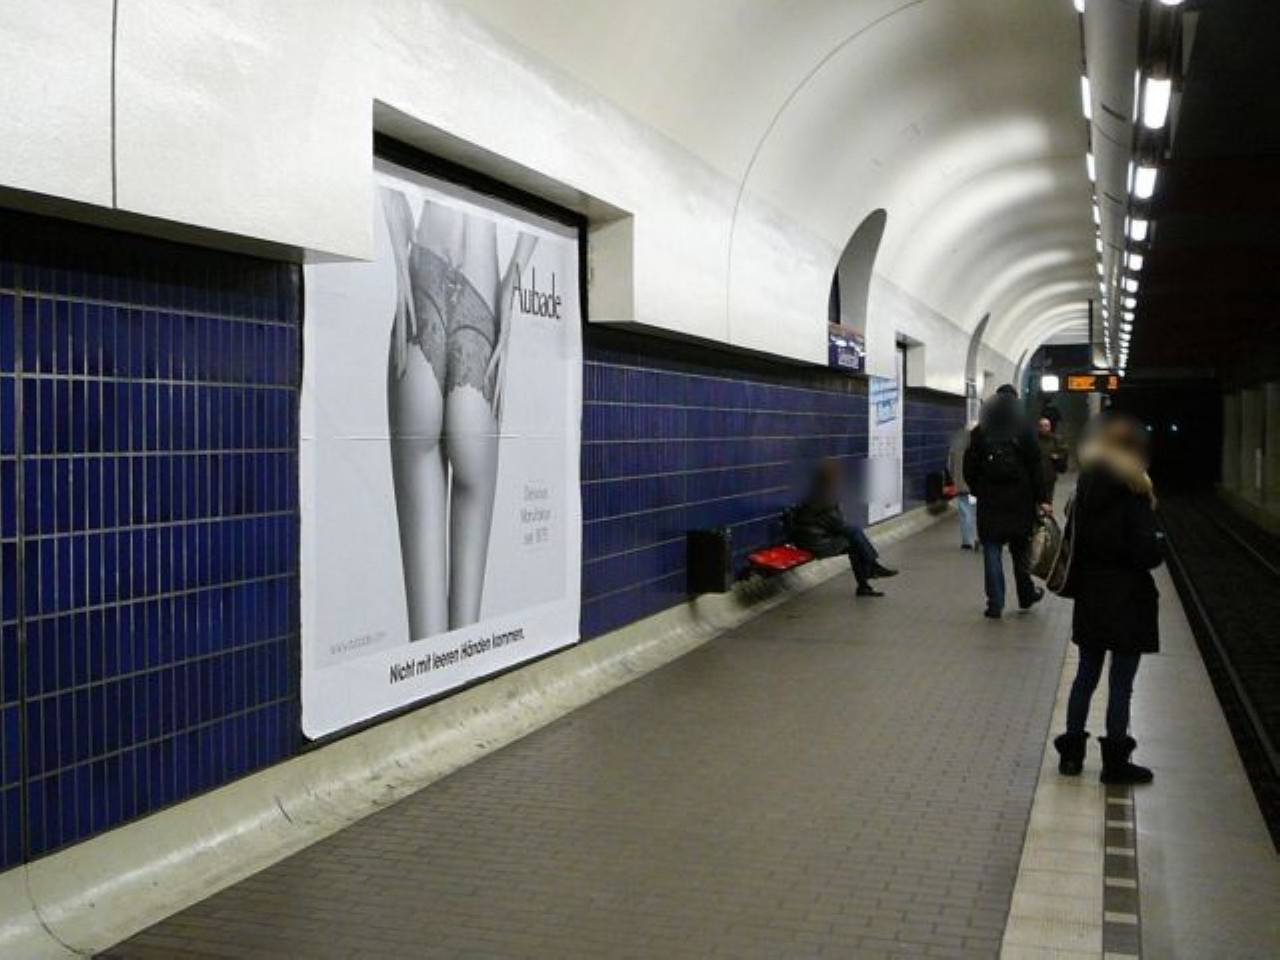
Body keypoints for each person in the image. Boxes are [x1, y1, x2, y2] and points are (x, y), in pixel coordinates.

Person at [1052, 414, 1162, 784]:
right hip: (1128, 598)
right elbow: (1146, 552)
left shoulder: (1084, 489)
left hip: (1091, 594)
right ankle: (1115, 763)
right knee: (1121, 684)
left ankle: (1071, 757)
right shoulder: (1134, 491)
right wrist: (1157, 546)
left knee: (1085, 676)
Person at [963, 385, 1051, 618]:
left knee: (991, 549)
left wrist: (978, 489)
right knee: (1020, 550)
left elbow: (969, 466)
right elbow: (1036, 466)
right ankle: (1026, 594)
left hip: (990, 501)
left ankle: (995, 603)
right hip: (1020, 500)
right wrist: (1042, 498)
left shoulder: (981, 432)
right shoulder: (1024, 429)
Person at [789, 459, 898, 597]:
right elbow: (839, 525)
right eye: (837, 476)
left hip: (812, 538)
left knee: (855, 539)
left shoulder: (818, 493)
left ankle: (869, 575)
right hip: (815, 543)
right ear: (830, 478)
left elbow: (834, 523)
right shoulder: (825, 497)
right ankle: (871, 569)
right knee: (855, 536)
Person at [947, 424, 979, 550]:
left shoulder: (955, 447)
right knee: (976, 512)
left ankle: (967, 541)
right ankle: (978, 538)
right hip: (975, 486)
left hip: (961, 485)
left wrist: (955, 480)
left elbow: (950, 467)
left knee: (964, 512)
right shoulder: (979, 446)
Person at [1037, 417, 1069, 504]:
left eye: (1046, 426)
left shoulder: (1055, 440)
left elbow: (1064, 451)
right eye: (1042, 426)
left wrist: (1058, 456)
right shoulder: (1034, 440)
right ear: (1038, 428)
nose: (1044, 428)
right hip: (1037, 476)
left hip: (1050, 475)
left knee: (1048, 499)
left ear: (1050, 427)